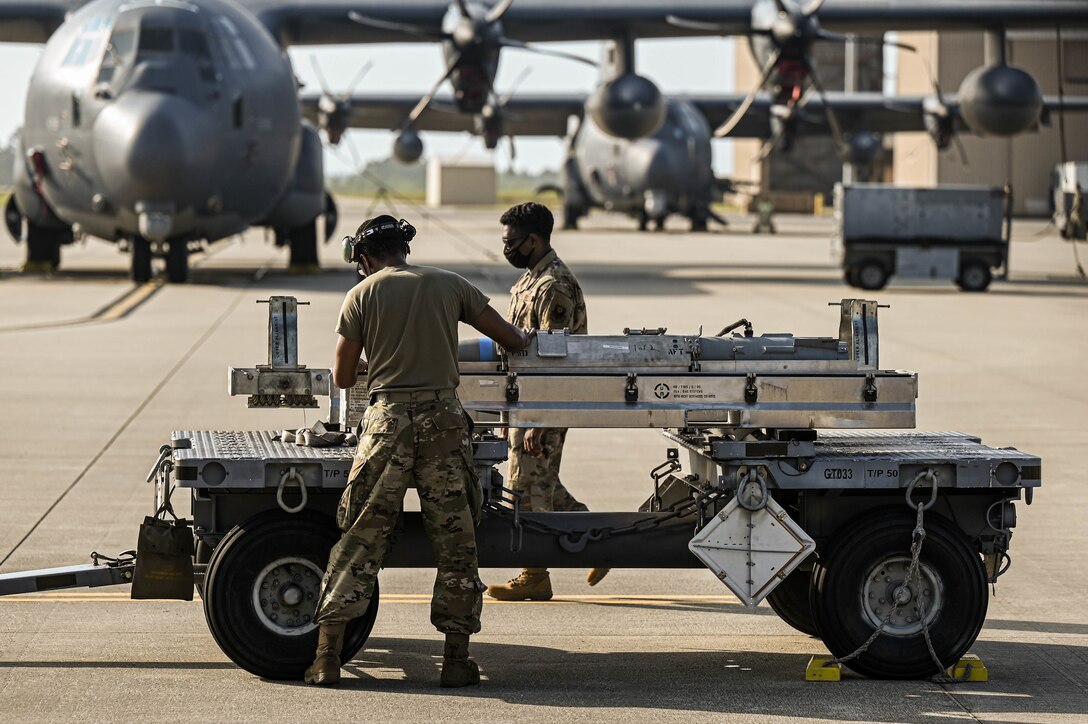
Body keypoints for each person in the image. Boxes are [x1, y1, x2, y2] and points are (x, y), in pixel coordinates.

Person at [305, 215, 530, 688]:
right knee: (456, 541)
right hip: (443, 424)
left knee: (360, 536)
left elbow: (344, 377)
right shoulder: (450, 284)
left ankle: (326, 658)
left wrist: (380, 359)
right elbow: (510, 338)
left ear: (364, 258)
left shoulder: (361, 295)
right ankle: (455, 660)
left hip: (387, 424)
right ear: (403, 249)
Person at [486, 202, 609, 602]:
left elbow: (552, 359)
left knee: (524, 487)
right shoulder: (531, 281)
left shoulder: (553, 285)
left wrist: (539, 416)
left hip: (543, 402)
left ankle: (534, 574)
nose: (506, 249)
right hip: (525, 401)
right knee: (542, 484)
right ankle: (600, 538)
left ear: (533, 240)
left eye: (511, 242)